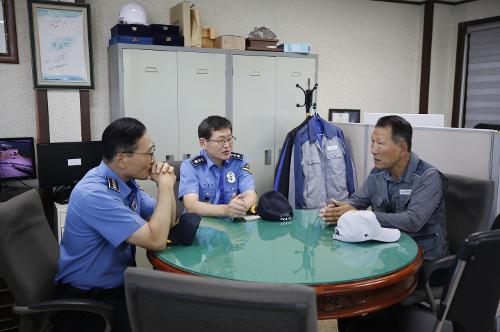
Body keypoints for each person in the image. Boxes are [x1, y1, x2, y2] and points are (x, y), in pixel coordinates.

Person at [54, 117, 177, 332]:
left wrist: (163, 186)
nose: (154, 159)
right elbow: (156, 240)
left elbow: (170, 221)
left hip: (119, 285)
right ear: (122, 159)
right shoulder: (94, 193)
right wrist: (166, 188)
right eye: (149, 153)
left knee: (171, 310)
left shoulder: (125, 182)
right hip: (90, 299)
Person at [319, 115, 448, 261]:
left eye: (380, 143)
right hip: (386, 251)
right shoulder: (377, 173)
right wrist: (338, 210)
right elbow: (357, 201)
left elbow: (412, 221)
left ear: (402, 148)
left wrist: (360, 216)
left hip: (421, 258)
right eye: (372, 142)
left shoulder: (428, 177)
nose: (373, 150)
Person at [179, 115, 257, 218]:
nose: (227, 146)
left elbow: (251, 194)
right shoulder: (190, 166)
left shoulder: (240, 162)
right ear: (203, 143)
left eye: (229, 139)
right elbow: (191, 205)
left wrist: (239, 208)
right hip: (202, 226)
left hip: (233, 226)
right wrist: (225, 210)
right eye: (221, 141)